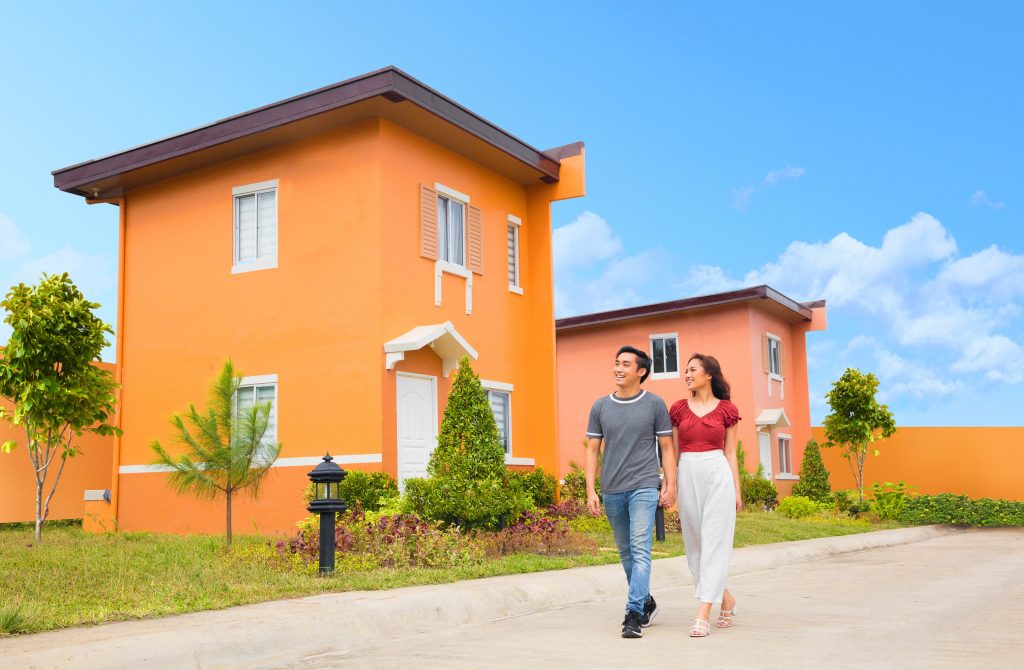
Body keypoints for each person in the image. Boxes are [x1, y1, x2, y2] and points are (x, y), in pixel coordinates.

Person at [586, 345, 677, 639]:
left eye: (626, 364)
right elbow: (592, 450)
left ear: (641, 372)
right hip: (612, 488)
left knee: (640, 549)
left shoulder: (654, 404)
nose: (618, 369)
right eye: (616, 363)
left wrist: (670, 483)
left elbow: (666, 448)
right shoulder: (600, 406)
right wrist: (591, 489)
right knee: (626, 553)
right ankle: (647, 601)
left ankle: (633, 613)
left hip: (644, 486)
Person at [670, 353, 742, 638]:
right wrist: (670, 484)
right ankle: (726, 598)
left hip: (717, 473)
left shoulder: (727, 410)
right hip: (688, 471)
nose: (687, 374)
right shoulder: (677, 409)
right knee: (696, 544)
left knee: (715, 540)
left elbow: (731, 453)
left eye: (693, 369)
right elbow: (674, 453)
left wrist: (737, 489)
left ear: (709, 374)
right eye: (685, 370)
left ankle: (704, 610)